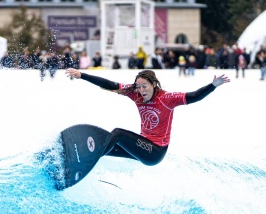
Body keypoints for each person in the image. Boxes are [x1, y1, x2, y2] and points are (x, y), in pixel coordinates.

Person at [64, 68, 230, 166]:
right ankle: (76, 160)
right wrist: (82, 75)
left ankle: (90, 159)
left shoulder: (167, 98)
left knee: (118, 134)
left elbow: (194, 96)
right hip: (142, 146)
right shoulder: (134, 93)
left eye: (144, 86)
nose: (141, 90)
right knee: (108, 147)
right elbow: (110, 85)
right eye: (138, 87)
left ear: (153, 84)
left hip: (155, 152)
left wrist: (213, 86)